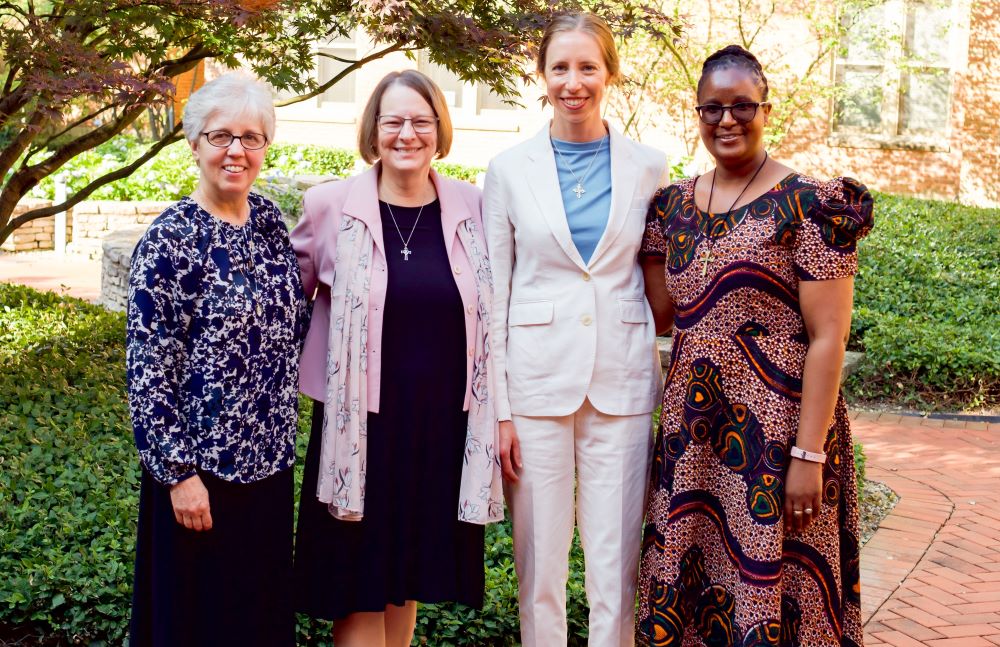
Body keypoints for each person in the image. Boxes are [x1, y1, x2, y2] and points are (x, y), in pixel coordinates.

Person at [635, 45, 874, 646]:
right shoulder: (671, 207)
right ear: (697, 114)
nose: (727, 120)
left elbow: (828, 338)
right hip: (695, 437)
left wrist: (808, 456)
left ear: (766, 109)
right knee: (694, 588)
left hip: (779, 434)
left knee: (778, 589)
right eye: (712, 108)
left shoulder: (811, 205)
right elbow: (663, 315)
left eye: (742, 106)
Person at [290, 69, 502, 647]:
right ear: (373, 130)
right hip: (362, 430)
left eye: (421, 121)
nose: (407, 134)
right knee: (359, 585)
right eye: (393, 121)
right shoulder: (330, 206)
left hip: (440, 426)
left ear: (439, 129)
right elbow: (287, 309)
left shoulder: (475, 207)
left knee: (403, 581)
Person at [484, 12, 667, 647]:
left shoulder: (649, 167)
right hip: (534, 387)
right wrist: (500, 410)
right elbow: (493, 295)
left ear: (609, 73)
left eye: (588, 66)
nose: (573, 81)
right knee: (539, 567)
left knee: (616, 568)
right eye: (559, 67)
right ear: (541, 75)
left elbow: (656, 273)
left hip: (619, 383)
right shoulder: (508, 170)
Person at [126, 72, 306, 646]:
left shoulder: (272, 223)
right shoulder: (170, 240)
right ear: (194, 143)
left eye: (251, 138)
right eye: (221, 135)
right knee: (196, 625)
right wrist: (179, 476)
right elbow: (149, 370)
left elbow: (291, 326)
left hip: (269, 469)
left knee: (256, 621)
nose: (236, 151)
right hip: (200, 478)